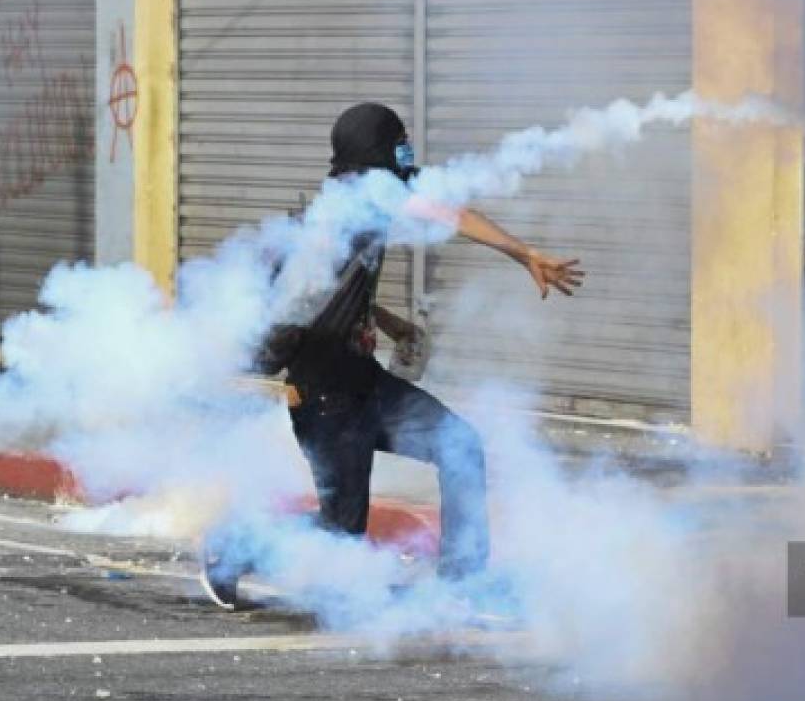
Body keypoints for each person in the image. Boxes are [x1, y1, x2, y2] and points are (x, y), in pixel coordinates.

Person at [199, 103, 584, 609]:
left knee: (460, 447)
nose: (408, 146)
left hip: (365, 384)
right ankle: (234, 546)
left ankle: (462, 583)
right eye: (399, 138)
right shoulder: (363, 199)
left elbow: (329, 292)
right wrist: (524, 253)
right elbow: (451, 214)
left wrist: (384, 321)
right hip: (325, 401)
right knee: (339, 535)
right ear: (375, 150)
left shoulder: (357, 206)